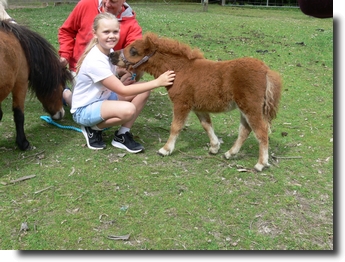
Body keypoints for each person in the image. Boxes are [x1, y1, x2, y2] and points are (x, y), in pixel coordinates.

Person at [71, 12, 175, 152]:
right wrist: (158, 82)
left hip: (103, 98)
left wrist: (120, 73)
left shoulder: (108, 50)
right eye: (106, 32)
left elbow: (107, 77)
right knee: (128, 110)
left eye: (115, 31)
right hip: (84, 110)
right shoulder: (95, 60)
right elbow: (122, 90)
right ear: (95, 33)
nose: (111, 36)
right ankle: (92, 128)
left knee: (143, 90)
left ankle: (122, 135)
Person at [58, 0, 142, 106]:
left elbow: (136, 56)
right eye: (104, 0)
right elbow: (66, 31)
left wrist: (130, 74)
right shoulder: (86, 4)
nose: (106, 4)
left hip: (110, 71)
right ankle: (65, 93)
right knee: (85, 105)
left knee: (136, 75)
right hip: (80, 69)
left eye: (113, 1)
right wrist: (65, 55)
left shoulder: (132, 25)